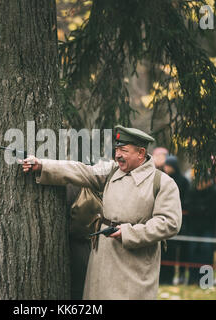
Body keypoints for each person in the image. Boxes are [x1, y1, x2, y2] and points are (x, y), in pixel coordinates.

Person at [21, 125, 182, 300]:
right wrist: (42, 165)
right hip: (103, 258)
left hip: (136, 264)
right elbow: (81, 170)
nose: (118, 155)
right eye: (117, 149)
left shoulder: (163, 183)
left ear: (141, 153)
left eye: (124, 150)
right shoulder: (112, 170)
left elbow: (169, 223)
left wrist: (129, 233)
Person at [185, 177, 216, 285]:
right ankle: (193, 279)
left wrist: (202, 211)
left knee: (207, 253)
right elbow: (187, 205)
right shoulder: (192, 191)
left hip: (208, 227)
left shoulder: (215, 193)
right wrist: (202, 210)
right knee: (193, 253)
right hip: (194, 227)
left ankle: (206, 280)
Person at [159, 155, 189, 285]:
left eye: (168, 165)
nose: (166, 168)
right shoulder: (163, 179)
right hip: (165, 217)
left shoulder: (183, 181)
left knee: (182, 250)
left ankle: (181, 275)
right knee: (167, 250)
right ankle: (165, 276)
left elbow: (186, 199)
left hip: (181, 220)